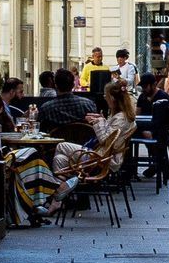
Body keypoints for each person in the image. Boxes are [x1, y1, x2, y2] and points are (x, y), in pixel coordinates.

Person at [42, 81, 137, 218]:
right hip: (99, 155)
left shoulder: (120, 119)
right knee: (59, 159)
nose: (104, 98)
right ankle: (59, 197)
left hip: (102, 159)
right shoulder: (120, 116)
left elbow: (107, 140)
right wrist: (102, 119)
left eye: (106, 96)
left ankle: (60, 193)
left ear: (113, 99)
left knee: (61, 146)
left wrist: (98, 122)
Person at [136, 72, 169, 181]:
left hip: (159, 129)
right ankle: (129, 170)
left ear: (154, 85)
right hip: (144, 128)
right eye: (142, 87)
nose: (143, 89)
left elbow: (163, 121)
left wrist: (151, 131)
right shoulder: (142, 97)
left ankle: (159, 165)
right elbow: (137, 115)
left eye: (145, 86)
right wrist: (143, 130)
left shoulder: (163, 97)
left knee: (158, 137)